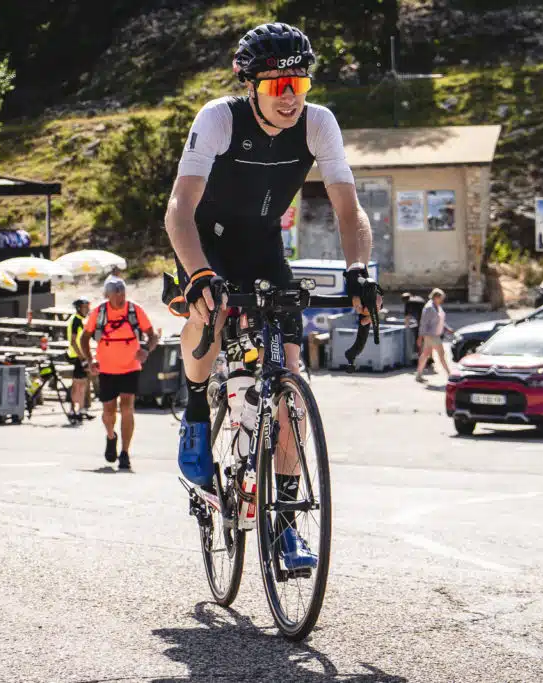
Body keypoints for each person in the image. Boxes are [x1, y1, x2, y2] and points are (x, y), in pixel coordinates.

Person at [163, 22, 380, 571]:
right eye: (277, 87)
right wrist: (198, 275)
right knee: (208, 313)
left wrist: (359, 271)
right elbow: (179, 209)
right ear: (251, 84)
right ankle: (195, 409)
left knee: (290, 388)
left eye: (298, 85)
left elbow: (349, 209)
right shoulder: (219, 118)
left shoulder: (319, 123)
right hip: (206, 241)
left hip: (263, 247)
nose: (290, 98)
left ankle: (284, 528)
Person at [79, 277, 160, 470]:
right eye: (116, 294)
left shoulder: (134, 310)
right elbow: (84, 337)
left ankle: (125, 453)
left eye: (122, 293)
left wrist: (146, 350)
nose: (120, 297)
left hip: (130, 367)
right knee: (108, 411)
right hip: (106, 368)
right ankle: (111, 436)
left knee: (127, 408)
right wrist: (89, 360)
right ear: (108, 295)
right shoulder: (99, 312)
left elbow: (152, 335)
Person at [415, 288, 455, 383]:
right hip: (431, 335)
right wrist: (420, 337)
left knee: (425, 355)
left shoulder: (437, 306)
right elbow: (423, 323)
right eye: (441, 298)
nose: (442, 300)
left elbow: (440, 320)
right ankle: (450, 375)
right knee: (441, 354)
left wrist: (447, 328)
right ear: (436, 297)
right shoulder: (429, 308)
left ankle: (418, 375)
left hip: (434, 334)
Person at [66, 297, 95, 422]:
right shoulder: (76, 320)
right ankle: (73, 409)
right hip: (77, 356)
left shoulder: (80, 320)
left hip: (80, 355)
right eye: (85, 307)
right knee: (77, 384)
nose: (87, 309)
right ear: (79, 308)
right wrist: (82, 357)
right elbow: (73, 341)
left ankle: (81, 409)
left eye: (88, 307)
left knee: (82, 383)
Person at [402, 291, 427, 364]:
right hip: (429, 321)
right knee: (427, 340)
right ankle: (429, 358)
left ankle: (421, 359)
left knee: (419, 340)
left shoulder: (408, 302)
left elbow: (407, 317)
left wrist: (406, 328)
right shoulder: (418, 298)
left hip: (422, 322)